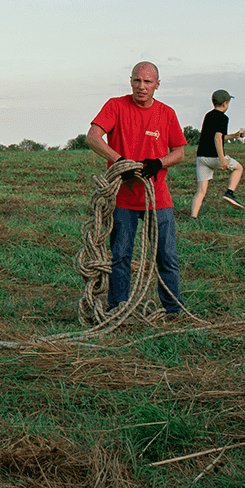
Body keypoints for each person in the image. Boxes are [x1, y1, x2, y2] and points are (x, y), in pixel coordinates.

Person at [87, 62, 188, 315]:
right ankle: (117, 308)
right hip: (122, 197)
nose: (141, 87)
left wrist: (158, 163)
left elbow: (180, 152)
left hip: (158, 199)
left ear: (157, 84)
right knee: (120, 256)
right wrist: (120, 161)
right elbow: (92, 137)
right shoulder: (116, 106)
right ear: (130, 81)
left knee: (166, 257)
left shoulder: (166, 113)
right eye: (137, 81)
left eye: (148, 82)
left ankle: (173, 310)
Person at [192, 89, 245, 215]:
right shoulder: (223, 118)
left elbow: (217, 136)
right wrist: (222, 159)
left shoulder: (208, 115)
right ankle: (229, 193)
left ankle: (193, 216)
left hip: (201, 158)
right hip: (214, 157)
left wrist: (235, 135)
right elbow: (217, 137)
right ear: (225, 103)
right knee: (238, 168)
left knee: (201, 191)